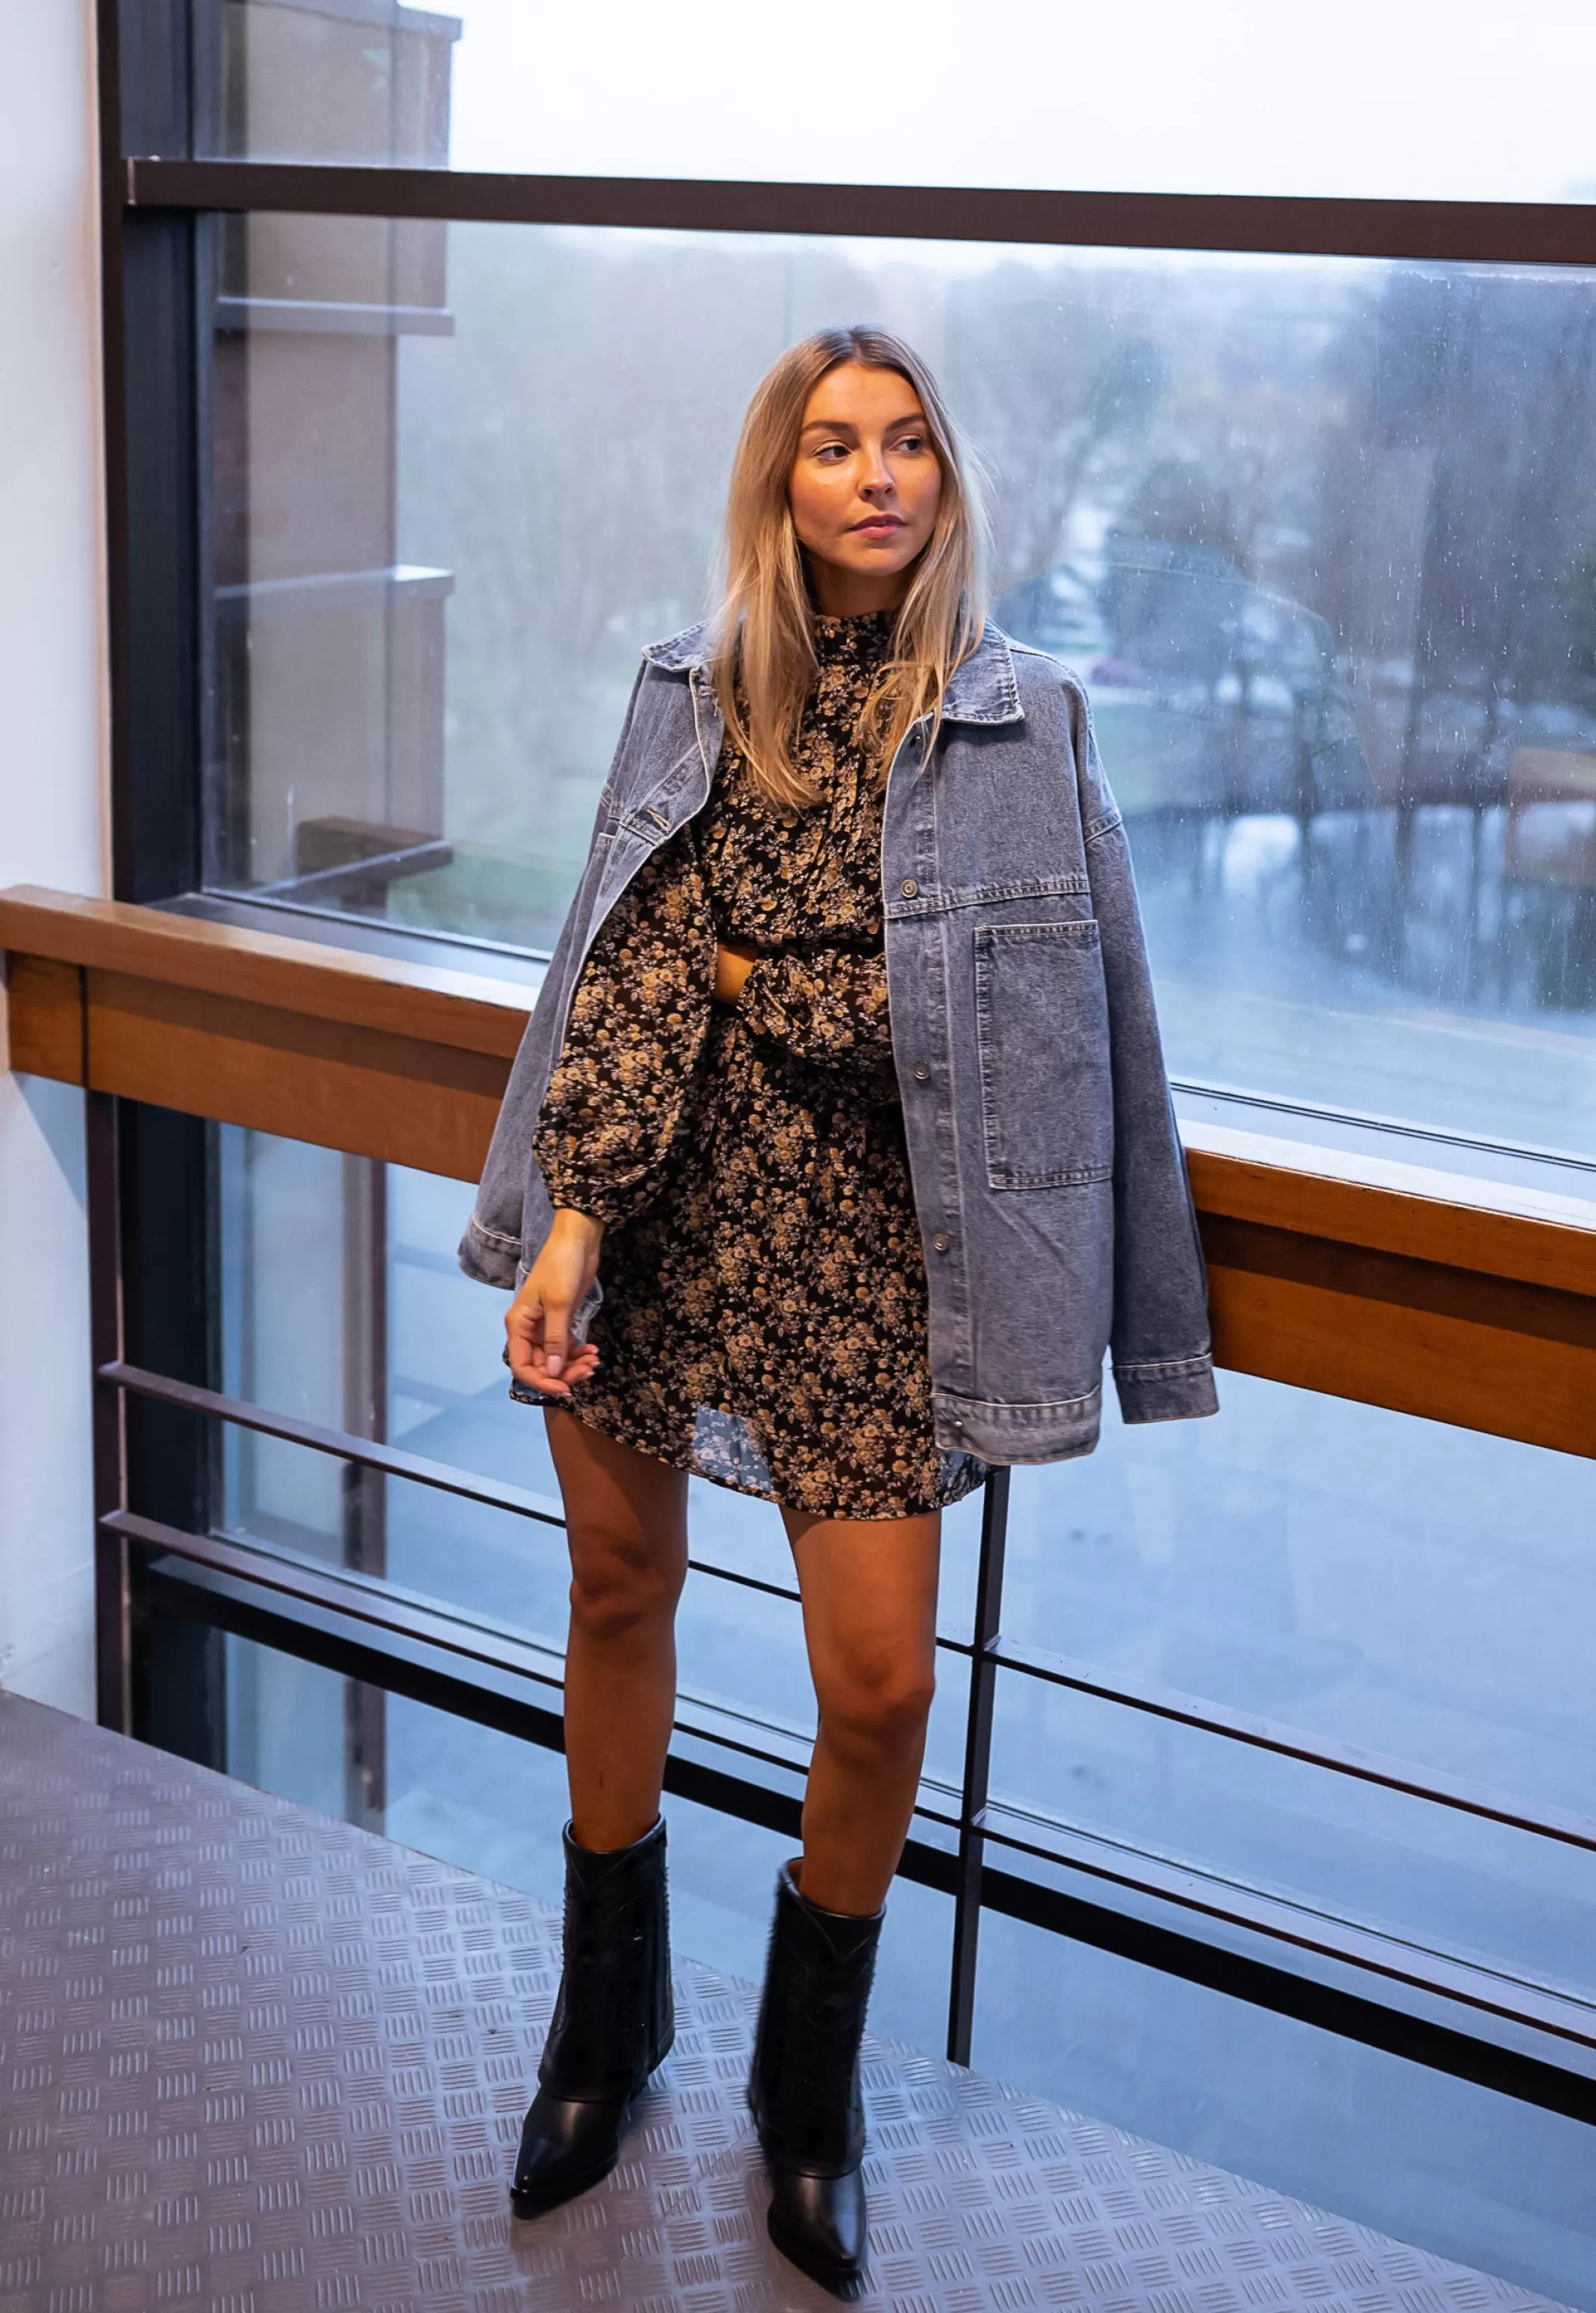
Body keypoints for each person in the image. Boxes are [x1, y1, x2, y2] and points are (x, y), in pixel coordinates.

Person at [458, 325, 1217, 2292]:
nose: (876, 476)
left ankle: (807, 2090)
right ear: (779, 486)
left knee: (879, 1688)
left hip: (892, 1258)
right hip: (666, 1216)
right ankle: (603, 2025)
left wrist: (757, 979)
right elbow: (627, 969)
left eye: (906, 444)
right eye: (831, 447)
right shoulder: (692, 689)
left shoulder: (1023, 721)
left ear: (946, 477)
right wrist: (570, 1226)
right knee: (615, 1595)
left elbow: (1013, 1029)